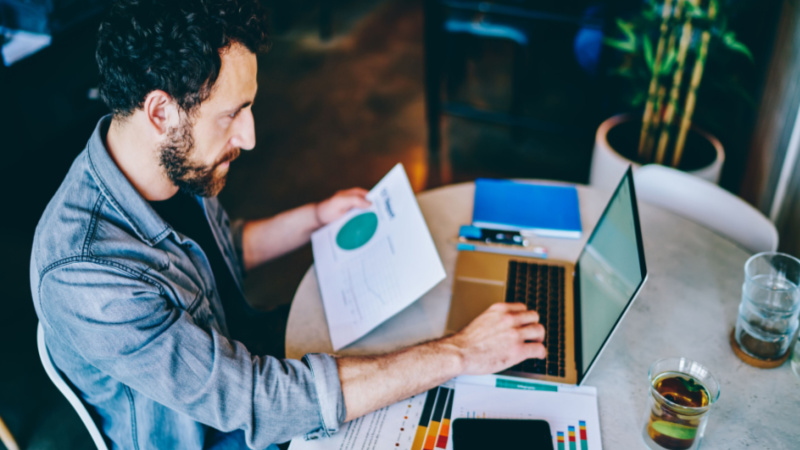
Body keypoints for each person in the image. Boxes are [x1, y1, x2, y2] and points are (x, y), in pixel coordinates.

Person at [29, 0, 546, 448]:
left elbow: (219, 248)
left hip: (251, 354)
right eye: (232, 114)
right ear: (161, 112)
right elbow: (254, 401)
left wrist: (316, 218)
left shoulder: (168, 161)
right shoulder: (84, 272)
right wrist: (459, 352)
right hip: (222, 432)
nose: (250, 138)